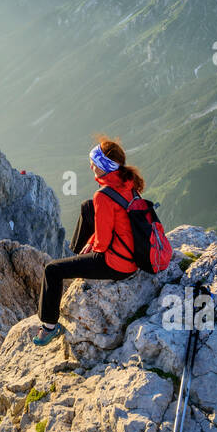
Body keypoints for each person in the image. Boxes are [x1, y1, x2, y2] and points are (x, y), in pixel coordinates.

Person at [33, 136, 146, 346]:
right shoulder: (127, 182)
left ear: (103, 166)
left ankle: (49, 326)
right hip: (132, 254)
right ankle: (78, 262)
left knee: (52, 270)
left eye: (93, 162)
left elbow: (102, 245)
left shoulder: (103, 196)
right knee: (87, 206)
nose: (90, 165)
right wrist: (91, 241)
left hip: (117, 264)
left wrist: (92, 245)